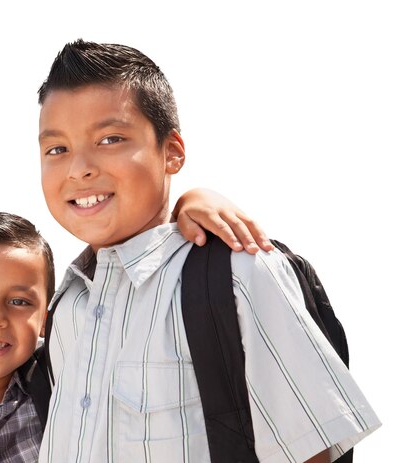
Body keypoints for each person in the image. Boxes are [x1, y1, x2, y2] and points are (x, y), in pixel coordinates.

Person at [36, 39, 381, 463]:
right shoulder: (67, 307)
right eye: (57, 149)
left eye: (110, 139)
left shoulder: (239, 272)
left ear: (172, 152)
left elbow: (312, 453)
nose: (79, 168)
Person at [0, 200, 272, 462]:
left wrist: (190, 201)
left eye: (20, 301)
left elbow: (128, 279)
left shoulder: (69, 399)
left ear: (46, 318)